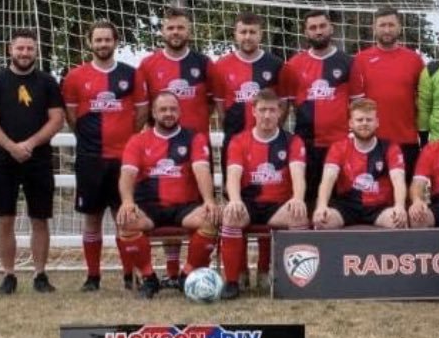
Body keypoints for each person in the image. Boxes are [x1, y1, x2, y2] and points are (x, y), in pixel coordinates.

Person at [0, 28, 65, 295]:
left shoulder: (48, 82)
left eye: (29, 48)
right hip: (3, 161)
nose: (24, 53)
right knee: (4, 218)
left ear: (36, 51)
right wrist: (11, 147)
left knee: (40, 219)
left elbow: (57, 119)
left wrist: (29, 144)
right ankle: (9, 275)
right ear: (10, 49)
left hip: (38, 160)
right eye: (20, 48)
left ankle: (40, 275)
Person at [61, 20, 145, 291]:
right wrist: (89, 139)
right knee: (91, 218)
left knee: (125, 218)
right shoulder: (75, 77)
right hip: (90, 159)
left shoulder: (131, 75)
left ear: (116, 41)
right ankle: (93, 276)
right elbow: (72, 118)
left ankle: (128, 275)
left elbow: (141, 115)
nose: (102, 44)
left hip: (123, 161)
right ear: (90, 43)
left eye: (107, 39)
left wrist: (127, 140)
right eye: (98, 40)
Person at [134, 6, 215, 285]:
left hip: (196, 147)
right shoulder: (148, 64)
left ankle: (190, 272)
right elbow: (143, 108)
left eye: (180, 27)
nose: (176, 32)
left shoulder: (204, 63)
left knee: (193, 207)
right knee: (166, 200)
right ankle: (170, 271)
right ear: (163, 32)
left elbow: (216, 103)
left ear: (189, 30)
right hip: (160, 144)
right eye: (170, 28)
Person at [116, 92, 220, 299]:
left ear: (180, 112)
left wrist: (209, 200)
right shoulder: (138, 141)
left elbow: (202, 170)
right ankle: (149, 278)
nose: (168, 114)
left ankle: (187, 275)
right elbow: (127, 174)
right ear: (154, 113)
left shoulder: (194, 138)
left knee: (211, 218)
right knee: (126, 222)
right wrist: (127, 202)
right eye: (163, 110)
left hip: (184, 206)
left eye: (173, 109)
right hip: (149, 206)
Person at [220, 90, 307, 299]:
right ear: (253, 112)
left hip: (278, 205)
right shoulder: (239, 141)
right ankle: (232, 281)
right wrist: (234, 200)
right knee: (231, 214)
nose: (267, 115)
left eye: (272, 110)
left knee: (299, 214)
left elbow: (298, 175)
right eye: (262, 110)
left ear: (280, 112)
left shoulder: (293, 141)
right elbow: (233, 176)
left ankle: (295, 281)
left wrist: (298, 198)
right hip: (248, 203)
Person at [282, 9, 361, 203]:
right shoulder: (294, 64)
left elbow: (358, 104)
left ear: (331, 28)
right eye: (313, 28)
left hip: (339, 144)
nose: (318, 31)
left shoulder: (348, 62)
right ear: (306, 32)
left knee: (338, 201)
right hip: (305, 144)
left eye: (322, 26)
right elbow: (285, 105)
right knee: (306, 198)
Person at [312, 99, 408, 229]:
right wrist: (322, 206)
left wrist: (399, 206)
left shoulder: (390, 148)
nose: (364, 123)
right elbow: (328, 179)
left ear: (377, 123)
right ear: (351, 123)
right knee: (322, 222)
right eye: (359, 120)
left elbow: (398, 180)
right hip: (346, 207)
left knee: (399, 222)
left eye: (369, 120)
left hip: (379, 207)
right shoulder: (338, 147)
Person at [352, 5, 426, 167]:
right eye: (382, 25)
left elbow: (423, 100)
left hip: (406, 140)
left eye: (391, 25)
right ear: (374, 28)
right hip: (371, 141)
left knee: (405, 192)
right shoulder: (359, 60)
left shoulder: (414, 60)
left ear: (399, 27)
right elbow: (354, 103)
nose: (387, 30)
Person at [212, 11, 285, 164]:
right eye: (243, 32)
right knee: (233, 185)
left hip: (268, 140)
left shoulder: (276, 65)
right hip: (234, 139)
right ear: (235, 34)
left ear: (260, 34)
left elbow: (282, 104)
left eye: (252, 32)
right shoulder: (221, 66)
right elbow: (220, 106)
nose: (247, 37)